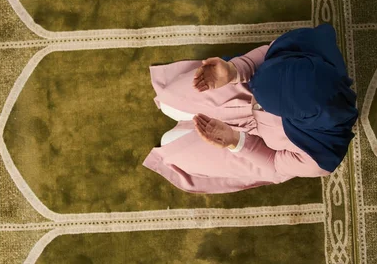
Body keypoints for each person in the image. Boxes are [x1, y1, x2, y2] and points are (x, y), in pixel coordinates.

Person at [142, 24, 358, 193]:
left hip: (256, 144)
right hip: (242, 89)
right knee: (167, 99)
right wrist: (234, 70)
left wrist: (235, 141)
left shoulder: (318, 156)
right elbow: (266, 54)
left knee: (171, 149)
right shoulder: (306, 47)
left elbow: (274, 164)